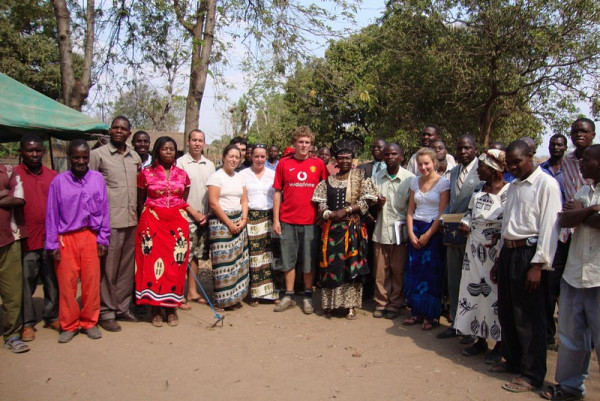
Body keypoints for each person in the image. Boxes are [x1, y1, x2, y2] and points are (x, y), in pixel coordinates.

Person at [489, 140, 562, 393]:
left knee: (529, 318)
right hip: (510, 253)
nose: (513, 167)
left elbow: (550, 228)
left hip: (530, 256)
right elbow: (508, 224)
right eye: (509, 164)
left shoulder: (546, 185)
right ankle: (513, 360)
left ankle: (532, 374)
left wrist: (538, 265)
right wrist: (499, 259)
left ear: (531, 156)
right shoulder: (515, 185)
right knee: (508, 312)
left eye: (518, 162)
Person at [542, 145, 600, 401]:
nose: (581, 164)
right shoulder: (584, 191)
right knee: (572, 337)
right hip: (574, 274)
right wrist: (590, 210)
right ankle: (570, 387)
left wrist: (580, 213)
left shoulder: (581, 195)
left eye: (586, 160)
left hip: (598, 276)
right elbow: (564, 219)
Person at [46, 140, 110, 343]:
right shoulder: (59, 182)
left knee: (91, 282)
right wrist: (53, 243)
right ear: (69, 158)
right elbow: (51, 214)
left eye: (84, 157)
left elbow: (104, 209)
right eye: (76, 157)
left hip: (90, 236)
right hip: (67, 238)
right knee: (67, 284)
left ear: (89, 158)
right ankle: (69, 324)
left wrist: (103, 238)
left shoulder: (97, 179)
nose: (81, 161)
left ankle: (90, 321)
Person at [135, 136, 203, 327]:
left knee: (175, 265)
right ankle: (155, 310)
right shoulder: (145, 174)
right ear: (157, 150)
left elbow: (182, 198)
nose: (168, 152)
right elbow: (140, 200)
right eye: (164, 149)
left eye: (172, 149)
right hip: (152, 224)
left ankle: (171, 308)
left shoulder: (183, 175)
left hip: (176, 225)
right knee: (153, 266)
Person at [311, 140, 377, 319]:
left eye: (348, 158)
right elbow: (321, 204)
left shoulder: (361, 177)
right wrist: (329, 214)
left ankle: (350, 306)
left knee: (351, 267)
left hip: (352, 229)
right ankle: (330, 304)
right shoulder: (328, 181)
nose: (345, 161)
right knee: (331, 266)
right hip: (332, 231)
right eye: (341, 158)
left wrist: (346, 210)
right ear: (336, 160)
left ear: (352, 159)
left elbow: (366, 201)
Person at [454, 149, 508, 363]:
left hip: (495, 251)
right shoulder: (478, 189)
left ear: (494, 170)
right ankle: (480, 339)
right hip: (474, 251)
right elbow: (470, 214)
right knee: (474, 294)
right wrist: (466, 223)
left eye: (482, 167)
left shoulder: (508, 191)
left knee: (495, 297)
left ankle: (500, 344)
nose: (478, 170)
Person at [546, 118, 596, 351]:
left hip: (592, 236)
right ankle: (550, 334)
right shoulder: (566, 162)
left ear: (593, 133)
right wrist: (585, 212)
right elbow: (566, 210)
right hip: (568, 233)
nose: (579, 135)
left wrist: (581, 212)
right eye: (575, 131)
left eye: (584, 131)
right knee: (556, 283)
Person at [89, 116, 141, 333]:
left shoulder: (134, 157)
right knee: (108, 270)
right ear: (110, 131)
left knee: (126, 269)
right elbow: (89, 190)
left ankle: (121, 307)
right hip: (109, 222)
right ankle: (106, 311)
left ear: (129, 133)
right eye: (115, 128)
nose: (119, 131)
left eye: (124, 129)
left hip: (131, 220)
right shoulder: (97, 156)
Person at [272, 126, 328, 314]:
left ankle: (307, 296)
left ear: (311, 145)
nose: (303, 145)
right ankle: (289, 295)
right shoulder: (283, 164)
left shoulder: (318, 164)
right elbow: (277, 192)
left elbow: (325, 191)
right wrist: (276, 220)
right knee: (288, 260)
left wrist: (323, 215)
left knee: (308, 261)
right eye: (300, 142)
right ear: (294, 143)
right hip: (287, 220)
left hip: (311, 221)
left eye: (307, 142)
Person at [437, 135, 482, 341]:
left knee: (470, 281)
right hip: (453, 232)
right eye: (460, 148)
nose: (463, 151)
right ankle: (456, 322)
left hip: (471, 234)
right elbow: (451, 202)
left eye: (467, 148)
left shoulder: (482, 171)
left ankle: (471, 328)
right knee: (454, 279)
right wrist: (442, 220)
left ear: (475, 149)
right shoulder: (454, 172)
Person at [16, 135, 59, 343]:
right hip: (26, 238)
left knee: (51, 279)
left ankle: (51, 315)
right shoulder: (14, 175)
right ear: (21, 152)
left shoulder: (53, 176)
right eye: (29, 150)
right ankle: (27, 323)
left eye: (38, 150)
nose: (34, 154)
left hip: (50, 237)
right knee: (27, 281)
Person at [403, 148, 450, 330]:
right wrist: (411, 233)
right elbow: (410, 210)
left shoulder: (443, 183)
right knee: (414, 271)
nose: (423, 167)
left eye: (426, 163)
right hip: (415, 228)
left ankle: (430, 316)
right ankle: (416, 312)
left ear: (434, 163)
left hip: (433, 231)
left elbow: (442, 212)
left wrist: (428, 234)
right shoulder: (415, 181)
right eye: (420, 164)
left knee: (430, 274)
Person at [371, 143, 414, 319]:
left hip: (400, 234)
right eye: (387, 154)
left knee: (398, 270)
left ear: (402, 157)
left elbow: (413, 208)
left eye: (394, 154)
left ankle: (395, 303)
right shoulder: (376, 178)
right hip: (380, 231)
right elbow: (368, 205)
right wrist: (376, 204)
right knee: (381, 271)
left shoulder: (410, 179)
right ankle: (381, 302)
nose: (390, 157)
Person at [207, 145, 249, 310]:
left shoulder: (240, 177)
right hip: (221, 223)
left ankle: (234, 298)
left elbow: (244, 200)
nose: (234, 160)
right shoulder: (216, 177)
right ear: (224, 157)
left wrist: (244, 219)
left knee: (238, 261)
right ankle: (222, 300)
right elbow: (213, 203)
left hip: (239, 220)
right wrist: (229, 223)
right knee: (223, 263)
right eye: (231, 156)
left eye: (237, 157)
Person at [176, 129, 214, 309]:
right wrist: (194, 214)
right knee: (182, 256)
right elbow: (178, 195)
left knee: (197, 256)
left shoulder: (210, 165)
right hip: (186, 217)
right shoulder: (180, 164)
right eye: (194, 140)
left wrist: (207, 215)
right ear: (188, 142)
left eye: (200, 140)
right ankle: (177, 293)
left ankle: (192, 291)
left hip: (206, 218)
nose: (197, 144)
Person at [239, 144, 279, 305]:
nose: (260, 160)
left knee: (270, 256)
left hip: (269, 216)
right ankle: (254, 294)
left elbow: (277, 196)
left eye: (263, 156)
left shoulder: (273, 174)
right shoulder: (243, 174)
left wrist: (277, 219)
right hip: (251, 217)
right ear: (251, 157)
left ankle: (270, 293)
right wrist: (244, 218)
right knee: (254, 257)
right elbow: (242, 199)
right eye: (256, 156)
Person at [540, 133, 568, 349]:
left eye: (560, 144)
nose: (556, 147)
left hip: (574, 234)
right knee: (550, 287)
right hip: (553, 234)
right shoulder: (542, 171)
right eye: (553, 144)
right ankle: (549, 334)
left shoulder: (573, 169)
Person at [0, 163, 27, 353]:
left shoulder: (8, 170)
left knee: (12, 290)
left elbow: (18, 198)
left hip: (8, 238)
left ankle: (12, 334)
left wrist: (9, 194)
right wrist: (3, 193)